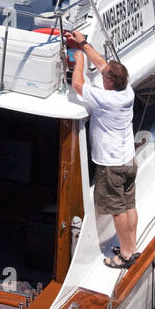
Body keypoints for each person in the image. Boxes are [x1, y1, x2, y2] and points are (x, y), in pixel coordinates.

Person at [65, 31, 139, 269]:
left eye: (106, 76)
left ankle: (126, 256)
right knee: (129, 206)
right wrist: (84, 43)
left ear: (108, 82)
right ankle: (132, 247)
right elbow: (104, 65)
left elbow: (78, 84)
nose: (103, 74)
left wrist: (79, 61)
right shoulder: (126, 91)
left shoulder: (105, 99)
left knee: (118, 210)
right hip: (128, 160)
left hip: (111, 165)